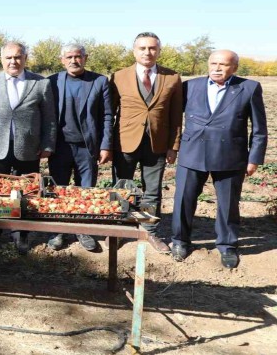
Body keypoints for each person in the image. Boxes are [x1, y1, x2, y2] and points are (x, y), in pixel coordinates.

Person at [170, 50, 267, 268]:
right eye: (213, 63)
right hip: (192, 152)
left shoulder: (249, 88)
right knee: (183, 199)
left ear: (235, 68)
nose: (217, 68)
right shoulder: (190, 86)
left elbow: (259, 128)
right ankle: (180, 241)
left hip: (230, 155)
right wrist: (172, 147)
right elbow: (174, 118)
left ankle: (227, 245)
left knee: (228, 203)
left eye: (223, 64)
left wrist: (254, 158)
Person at [109, 32, 183, 253]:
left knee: (152, 190)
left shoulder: (172, 78)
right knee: (122, 187)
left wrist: (173, 146)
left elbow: (176, 116)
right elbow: (109, 114)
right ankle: (121, 228)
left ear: (159, 51)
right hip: (125, 142)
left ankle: (148, 230)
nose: (147, 52)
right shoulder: (118, 77)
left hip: (157, 144)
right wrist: (107, 145)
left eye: (152, 48)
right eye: (142, 48)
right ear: (134, 51)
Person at [0, 42, 57, 254]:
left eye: (17, 57)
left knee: (27, 192)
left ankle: (21, 233)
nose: (13, 61)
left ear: (25, 58)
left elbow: (49, 118)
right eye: (9, 57)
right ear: (1, 59)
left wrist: (48, 144)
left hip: (29, 147)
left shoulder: (40, 83)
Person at [47, 44, 112, 251]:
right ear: (62, 60)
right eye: (69, 57)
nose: (73, 60)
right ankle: (58, 230)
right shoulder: (52, 81)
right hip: (60, 146)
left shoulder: (99, 81)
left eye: (78, 56)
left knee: (85, 190)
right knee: (59, 189)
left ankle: (83, 229)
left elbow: (107, 116)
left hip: (87, 147)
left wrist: (105, 145)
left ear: (85, 58)